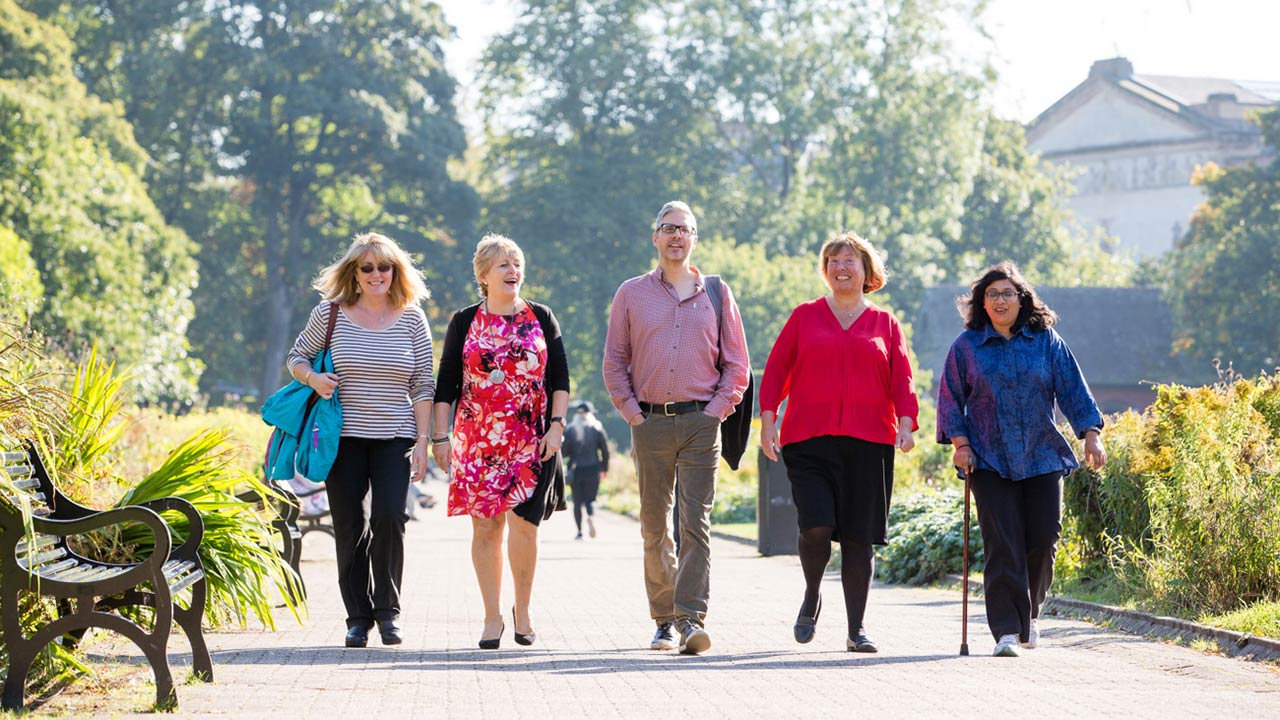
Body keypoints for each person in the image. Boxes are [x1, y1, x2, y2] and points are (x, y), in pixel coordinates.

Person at [758, 232, 919, 653]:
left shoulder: (885, 323)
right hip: (808, 439)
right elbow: (776, 370)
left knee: (858, 538)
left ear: (867, 272)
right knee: (816, 527)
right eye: (833, 261)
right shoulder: (804, 316)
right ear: (825, 269)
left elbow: (902, 377)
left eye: (850, 261)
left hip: (869, 441)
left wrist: (906, 422)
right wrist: (768, 419)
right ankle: (812, 593)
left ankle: (855, 629)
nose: (841, 268)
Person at [936, 261, 1107, 658]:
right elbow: (949, 400)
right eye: (992, 294)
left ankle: (1030, 611)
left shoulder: (1046, 341)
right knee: (1003, 543)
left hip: (1041, 455)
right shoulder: (966, 347)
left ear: (1021, 299)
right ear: (982, 302)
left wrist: (1091, 435)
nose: (1000, 300)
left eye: (1007, 293)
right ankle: (1007, 631)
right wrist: (961, 445)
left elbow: (1073, 390)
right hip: (989, 459)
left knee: (1044, 538)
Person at [602, 200, 750, 655]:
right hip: (649, 422)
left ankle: (690, 619)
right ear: (655, 238)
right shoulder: (631, 293)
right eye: (668, 228)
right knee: (653, 526)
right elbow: (614, 362)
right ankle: (662, 619)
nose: (676, 236)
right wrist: (632, 413)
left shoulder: (717, 294)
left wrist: (716, 412)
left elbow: (737, 364)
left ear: (694, 239)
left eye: (684, 229)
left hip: (700, 424)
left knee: (695, 525)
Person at [286, 232, 434, 648]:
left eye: (383, 267)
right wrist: (314, 378)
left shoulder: (411, 318)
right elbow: (296, 358)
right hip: (341, 440)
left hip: (394, 437)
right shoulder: (330, 313)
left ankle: (389, 612)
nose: (375, 274)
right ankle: (357, 616)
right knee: (350, 526)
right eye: (366, 267)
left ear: (395, 271)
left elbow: (424, 384)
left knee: (390, 517)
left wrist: (423, 441)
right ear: (354, 272)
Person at [432, 234, 570, 650]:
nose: (513, 271)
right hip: (478, 441)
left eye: (517, 262)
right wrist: (441, 439)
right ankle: (492, 617)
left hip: (532, 440)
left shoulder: (542, 317)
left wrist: (557, 426)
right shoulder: (463, 321)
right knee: (487, 528)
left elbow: (559, 378)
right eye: (504, 265)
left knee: (525, 527)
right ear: (484, 275)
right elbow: (446, 387)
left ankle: (522, 611)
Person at [562, 401, 611, 540]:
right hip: (593, 469)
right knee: (591, 499)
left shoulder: (570, 430)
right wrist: (604, 468)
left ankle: (579, 532)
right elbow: (605, 451)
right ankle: (590, 516)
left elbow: (564, 452)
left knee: (577, 502)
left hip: (575, 470)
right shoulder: (597, 428)